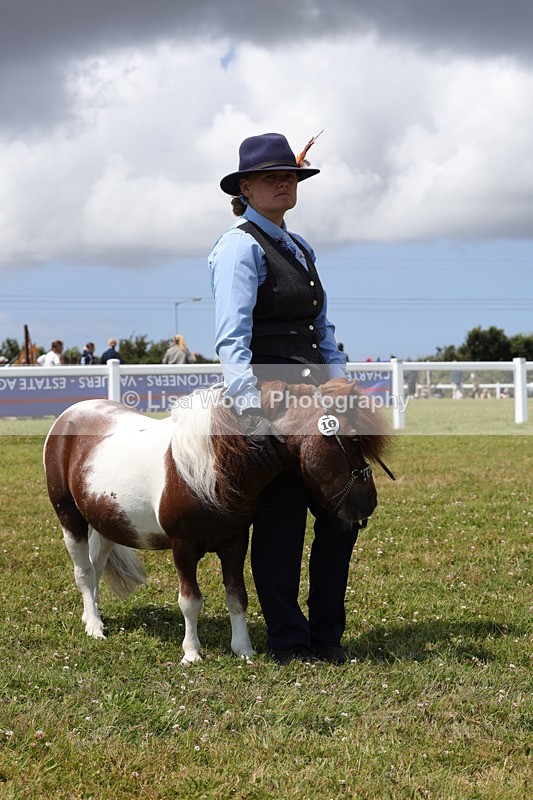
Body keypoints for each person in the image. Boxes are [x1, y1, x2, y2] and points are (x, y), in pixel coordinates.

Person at [209, 132, 355, 665]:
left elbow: (322, 325)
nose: (283, 182)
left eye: (289, 175)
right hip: (271, 403)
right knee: (283, 523)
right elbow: (232, 338)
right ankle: (289, 642)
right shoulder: (238, 247)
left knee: (344, 513)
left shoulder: (302, 247)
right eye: (271, 176)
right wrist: (251, 410)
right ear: (245, 187)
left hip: (319, 401)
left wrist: (337, 379)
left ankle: (326, 635)